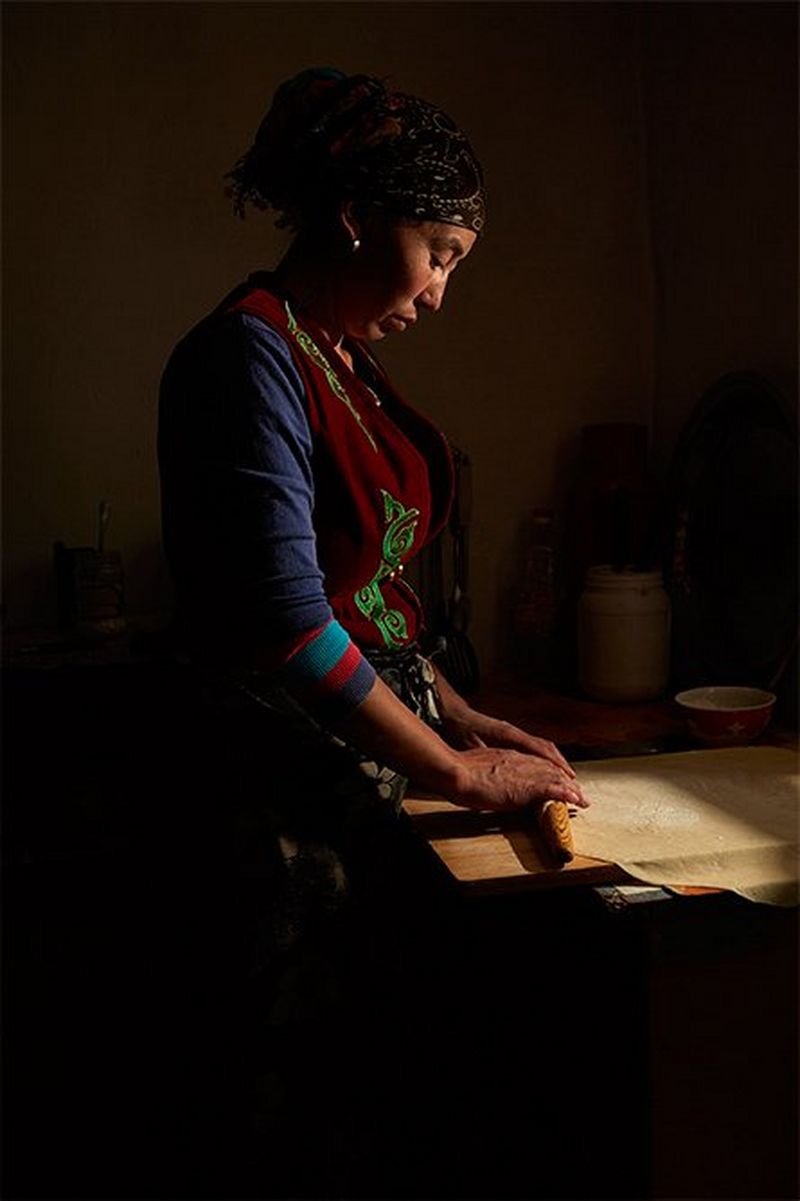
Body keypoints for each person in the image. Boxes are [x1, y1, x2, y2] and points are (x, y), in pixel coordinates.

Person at [156, 67, 588, 1198]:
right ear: (354, 221)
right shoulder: (250, 356)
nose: (441, 292)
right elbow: (291, 627)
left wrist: (460, 707)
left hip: (358, 752)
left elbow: (361, 598)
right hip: (274, 786)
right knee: (303, 1100)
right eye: (436, 251)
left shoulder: (341, 357)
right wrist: (449, 766)